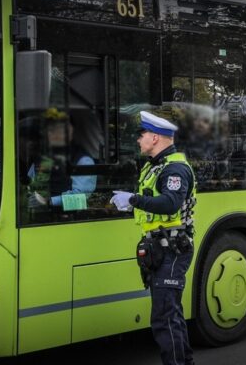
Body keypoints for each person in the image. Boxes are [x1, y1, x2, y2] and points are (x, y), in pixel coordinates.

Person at [110, 111, 197, 365]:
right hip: (160, 248)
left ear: (156, 137)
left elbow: (170, 203)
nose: (138, 140)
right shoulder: (155, 166)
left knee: (163, 317)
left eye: (142, 135)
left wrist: (134, 199)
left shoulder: (175, 169)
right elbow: (154, 203)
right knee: (171, 313)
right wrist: (132, 205)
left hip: (173, 249)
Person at [27, 108, 96, 210]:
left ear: (70, 132)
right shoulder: (43, 158)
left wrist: (49, 202)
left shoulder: (83, 160)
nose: (49, 134)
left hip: (68, 220)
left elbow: (82, 198)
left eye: (55, 129)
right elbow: (31, 185)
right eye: (48, 129)